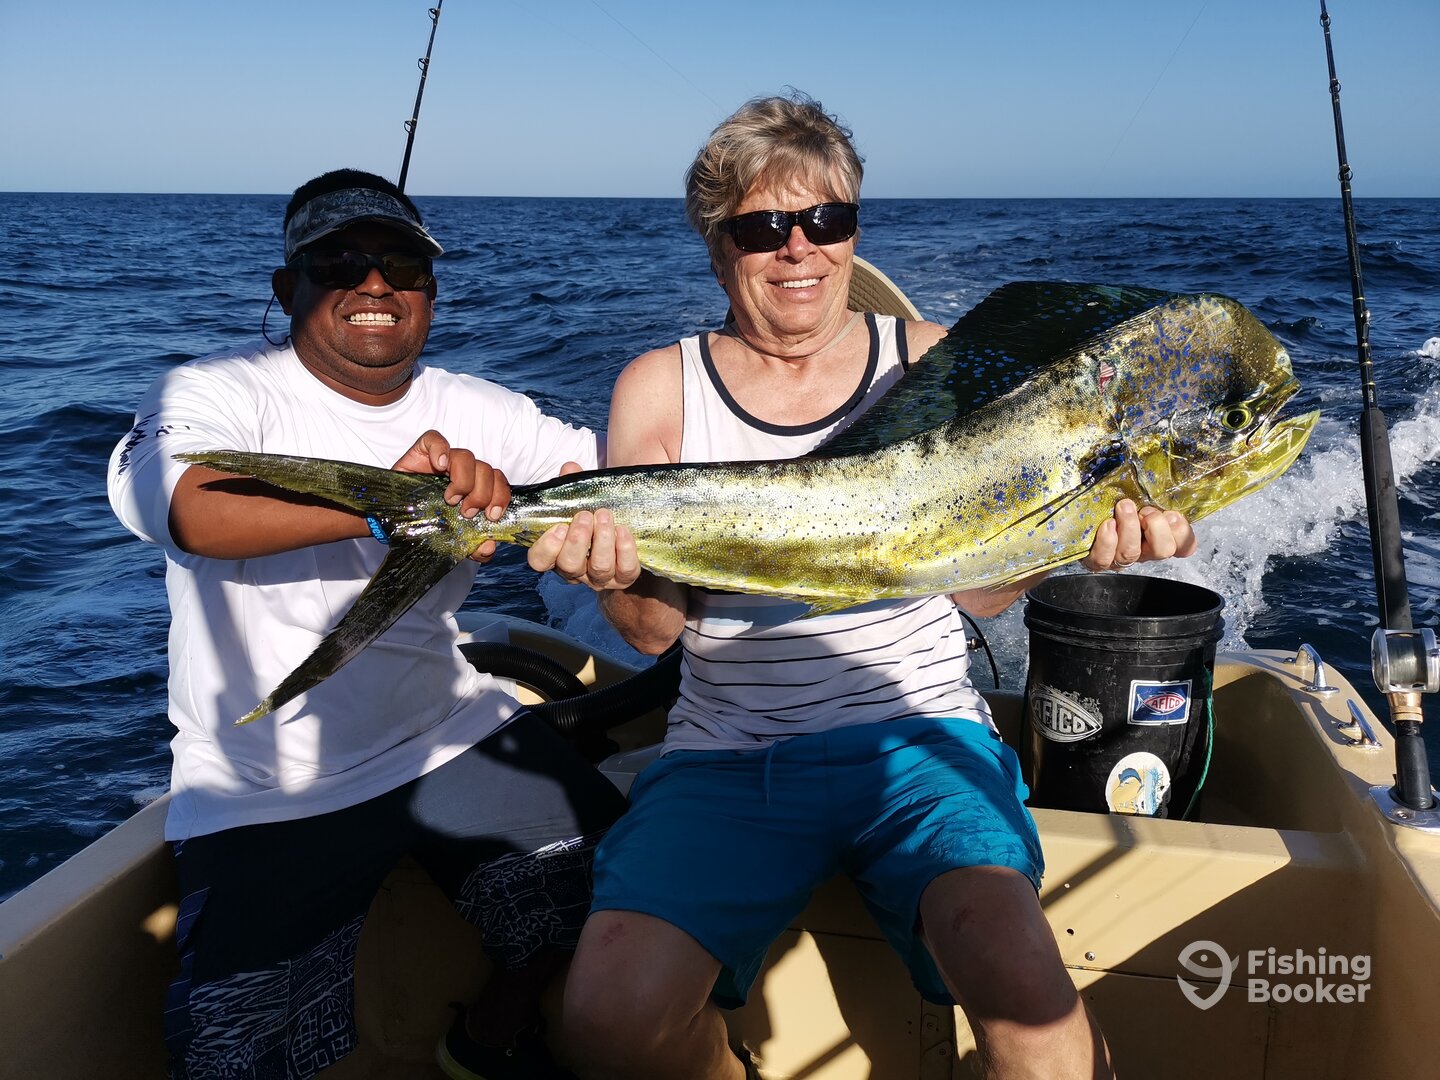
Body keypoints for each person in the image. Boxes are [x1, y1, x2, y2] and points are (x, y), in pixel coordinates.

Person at [527, 94, 1198, 1080]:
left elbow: (980, 595)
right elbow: (652, 633)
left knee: (1039, 1022)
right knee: (606, 1020)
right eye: (763, 227)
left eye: (826, 218)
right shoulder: (658, 388)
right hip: (729, 757)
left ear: (853, 231)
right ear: (718, 247)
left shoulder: (927, 360)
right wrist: (613, 571)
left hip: (923, 743)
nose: (798, 248)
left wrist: (1070, 539)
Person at [107, 168, 626, 1080]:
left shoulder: (484, 409)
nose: (375, 283)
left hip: (446, 730)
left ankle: (488, 1040)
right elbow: (187, 508)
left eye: (401, 265)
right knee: (237, 1057)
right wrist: (390, 508)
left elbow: (621, 482)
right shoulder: (213, 392)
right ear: (288, 289)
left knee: (629, 903)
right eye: (340, 263)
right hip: (264, 787)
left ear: (431, 291)